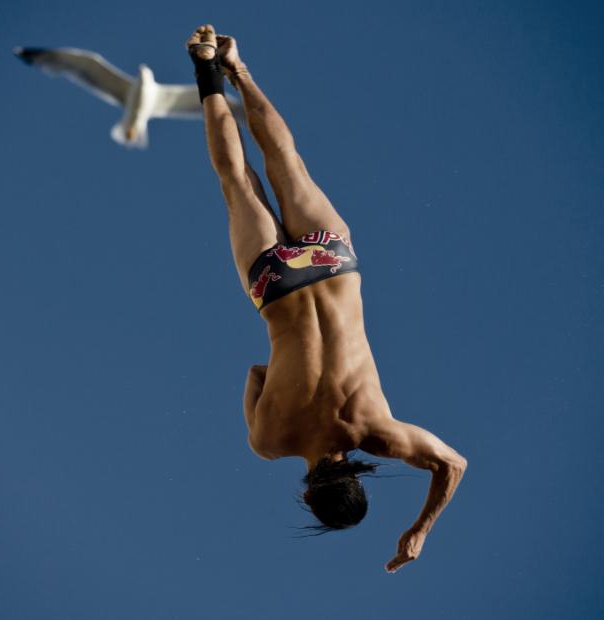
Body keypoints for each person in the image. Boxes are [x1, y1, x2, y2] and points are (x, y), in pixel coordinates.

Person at [186, 25, 468, 573]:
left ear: (357, 477)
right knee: (236, 182)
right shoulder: (269, 439)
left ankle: (236, 67)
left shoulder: (377, 431)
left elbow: (452, 465)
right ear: (309, 492)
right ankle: (203, 69)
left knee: (286, 161)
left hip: (331, 264)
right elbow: (254, 374)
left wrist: (420, 528)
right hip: (276, 286)